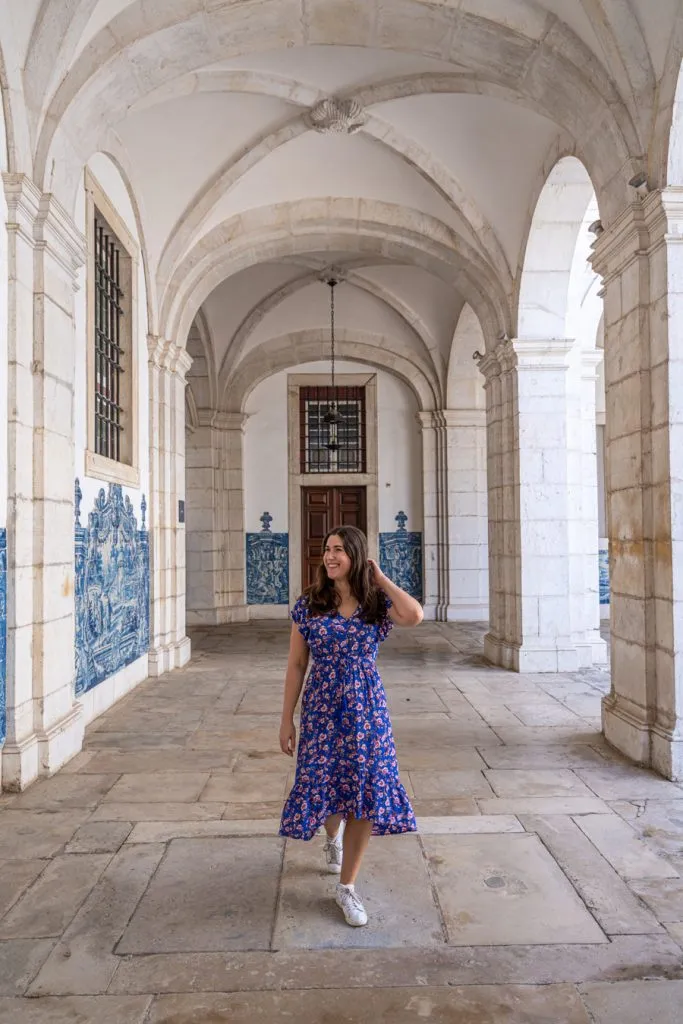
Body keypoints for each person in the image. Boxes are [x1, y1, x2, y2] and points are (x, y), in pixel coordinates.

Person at [278, 524, 423, 927]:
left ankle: (347, 887)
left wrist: (380, 578)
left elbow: (414, 615)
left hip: (367, 709)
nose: (330, 555)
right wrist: (286, 718)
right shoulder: (310, 604)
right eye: (327, 549)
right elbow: (296, 664)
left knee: (365, 789)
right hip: (322, 709)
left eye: (340, 549)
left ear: (356, 556)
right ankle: (331, 838)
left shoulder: (376, 602)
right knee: (326, 785)